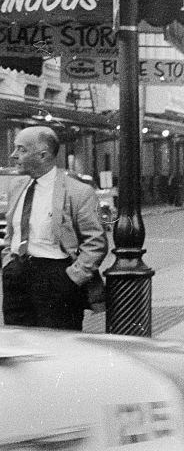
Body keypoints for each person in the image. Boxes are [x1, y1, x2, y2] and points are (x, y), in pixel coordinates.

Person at [1, 125, 108, 330]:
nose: (14, 155)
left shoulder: (78, 192)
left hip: (56, 278)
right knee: (19, 342)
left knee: (59, 345)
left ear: (43, 155)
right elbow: (11, 233)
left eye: (21, 149)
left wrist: (72, 278)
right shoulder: (17, 186)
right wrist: (8, 262)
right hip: (17, 277)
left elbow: (96, 242)